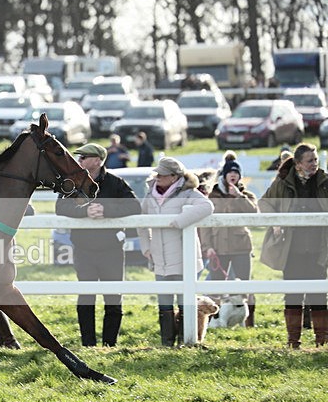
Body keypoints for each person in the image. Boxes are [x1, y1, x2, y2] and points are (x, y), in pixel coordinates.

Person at [56, 143, 141, 347]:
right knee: (86, 297)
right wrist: (84, 212)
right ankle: (88, 344)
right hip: (83, 249)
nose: (79, 161)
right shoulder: (73, 183)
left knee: (113, 298)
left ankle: (110, 344)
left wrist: (106, 210)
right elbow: (60, 207)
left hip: (111, 249)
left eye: (83, 157)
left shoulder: (116, 183)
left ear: (97, 160)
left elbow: (135, 205)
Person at [138, 156, 214, 347]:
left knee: (184, 300)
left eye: (162, 175)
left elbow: (207, 206)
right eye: (157, 174)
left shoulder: (189, 192)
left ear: (174, 176)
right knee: (164, 301)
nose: (158, 178)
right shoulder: (150, 193)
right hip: (159, 256)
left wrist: (179, 221)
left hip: (183, 255)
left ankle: (185, 340)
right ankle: (167, 342)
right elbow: (141, 219)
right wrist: (146, 246)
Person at [259, 143, 328, 349]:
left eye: (315, 160)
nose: (314, 164)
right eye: (310, 161)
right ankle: (293, 342)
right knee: (293, 294)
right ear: (298, 164)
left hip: (319, 248)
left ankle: (322, 341)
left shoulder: (324, 182)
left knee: (319, 294)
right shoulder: (282, 183)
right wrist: (277, 220)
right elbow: (264, 204)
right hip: (292, 249)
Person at [202, 156, 259, 327]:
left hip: (241, 246)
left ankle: (249, 322)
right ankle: (214, 320)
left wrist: (239, 197)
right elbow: (205, 225)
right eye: (230, 172)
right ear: (224, 175)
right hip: (218, 247)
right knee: (216, 286)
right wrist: (208, 247)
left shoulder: (246, 194)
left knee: (244, 285)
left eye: (236, 172)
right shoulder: (213, 195)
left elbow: (254, 213)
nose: (233, 175)